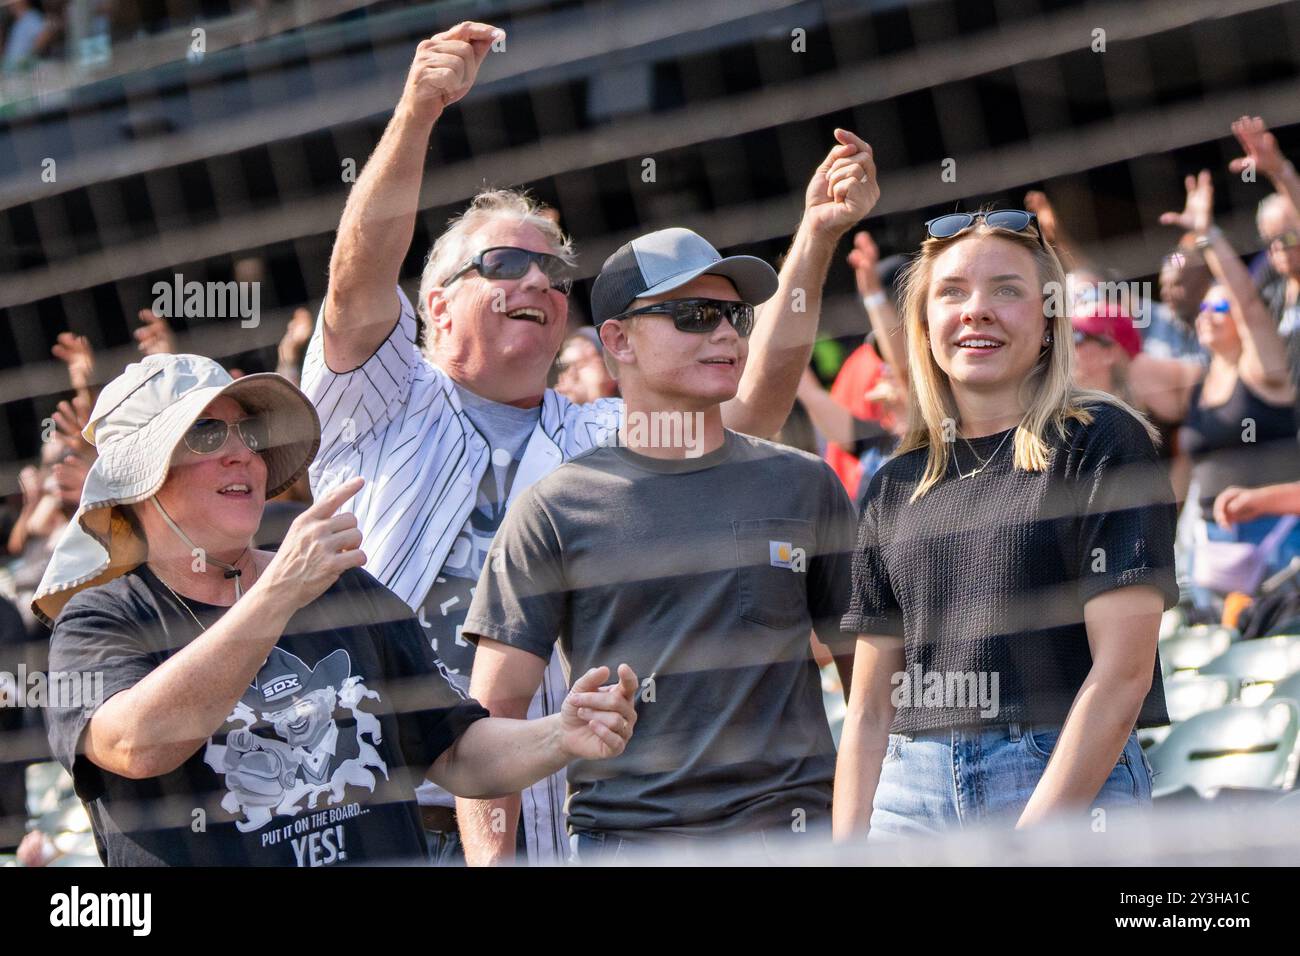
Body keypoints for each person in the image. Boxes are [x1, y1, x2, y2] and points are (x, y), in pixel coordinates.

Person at [306, 20, 878, 865]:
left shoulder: (596, 437)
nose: (538, 280)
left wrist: (816, 236)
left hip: (531, 814)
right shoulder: (381, 400)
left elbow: (751, 399)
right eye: (504, 265)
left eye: (554, 274)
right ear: (435, 304)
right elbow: (356, 284)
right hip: (376, 810)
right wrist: (421, 109)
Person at [31, 354, 638, 866]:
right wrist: (279, 591)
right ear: (143, 483)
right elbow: (135, 746)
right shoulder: (102, 620)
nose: (242, 452)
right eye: (207, 434)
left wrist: (560, 733)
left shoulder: (340, 590)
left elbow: (454, 753)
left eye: (250, 433)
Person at [460, 226, 862, 861]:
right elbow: (489, 719)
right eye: (695, 315)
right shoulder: (554, 509)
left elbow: (866, 679)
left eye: (734, 315)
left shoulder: (803, 483)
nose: (727, 333)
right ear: (617, 339)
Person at [832, 208, 1178, 840]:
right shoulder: (892, 485)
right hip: (909, 795)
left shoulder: (1102, 442)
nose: (977, 310)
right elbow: (868, 709)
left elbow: (1122, 674)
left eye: (1008, 290)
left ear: (1049, 322)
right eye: (952, 292)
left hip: (1059, 784)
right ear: (925, 326)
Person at [553, 327, 617, 405]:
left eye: (582, 363)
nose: (572, 373)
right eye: (565, 366)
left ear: (610, 373)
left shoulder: (627, 412)